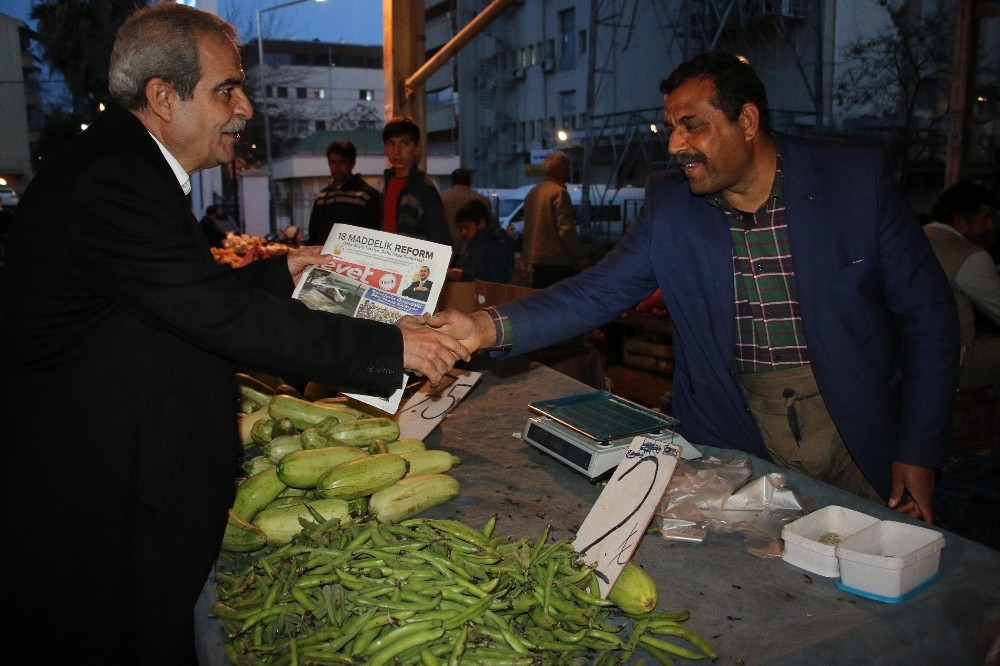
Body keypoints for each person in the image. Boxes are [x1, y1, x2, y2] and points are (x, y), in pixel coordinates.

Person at [0, 5, 469, 663]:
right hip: (97, 494)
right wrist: (393, 346)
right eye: (227, 90)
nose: (245, 108)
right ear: (164, 97)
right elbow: (215, 315)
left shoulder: (123, 167)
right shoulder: (115, 181)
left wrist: (280, 271)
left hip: (117, 463)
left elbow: (174, 295)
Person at [431, 51, 958, 523]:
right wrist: (481, 328)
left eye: (692, 126)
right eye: (671, 128)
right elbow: (595, 293)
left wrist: (919, 449)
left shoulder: (854, 182)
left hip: (856, 428)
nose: (675, 146)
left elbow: (929, 318)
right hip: (736, 429)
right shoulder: (670, 204)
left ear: (746, 121)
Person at [923, 181, 1000, 390]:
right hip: (948, 364)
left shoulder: (912, 239)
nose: (991, 226)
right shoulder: (969, 255)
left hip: (903, 358)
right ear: (960, 222)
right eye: (986, 218)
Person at [380, 115, 452, 248]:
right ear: (385, 148)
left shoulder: (424, 190)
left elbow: (442, 242)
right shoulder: (387, 184)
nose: (397, 151)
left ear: (417, 148)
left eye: (404, 143)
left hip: (408, 259)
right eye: (391, 144)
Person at [521, 151, 587, 288]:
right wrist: (580, 255)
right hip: (558, 261)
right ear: (560, 170)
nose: (568, 173)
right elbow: (566, 229)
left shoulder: (532, 193)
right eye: (566, 168)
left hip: (534, 260)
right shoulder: (559, 193)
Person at [307, 139, 380, 245]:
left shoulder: (367, 196)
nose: (336, 168)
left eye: (342, 162)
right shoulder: (322, 197)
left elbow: (374, 237)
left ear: (352, 163)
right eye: (333, 162)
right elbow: (313, 234)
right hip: (323, 254)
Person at [447, 199, 515, 284]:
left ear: (481, 223)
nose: (463, 233)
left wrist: (462, 276)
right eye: (460, 229)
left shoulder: (497, 245)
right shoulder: (470, 244)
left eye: (466, 228)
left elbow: (497, 282)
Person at [440, 166, 492, 256]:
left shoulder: (442, 198)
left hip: (447, 246)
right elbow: (490, 225)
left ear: (451, 182)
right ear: (469, 182)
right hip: (475, 248)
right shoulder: (483, 200)